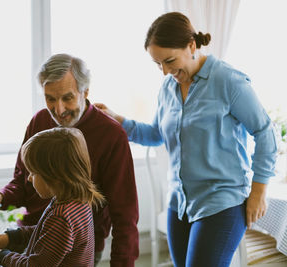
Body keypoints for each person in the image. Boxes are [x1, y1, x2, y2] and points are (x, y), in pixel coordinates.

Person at [94, 12, 277, 267]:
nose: (166, 71)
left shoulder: (228, 81)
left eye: (169, 61)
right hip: (179, 204)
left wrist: (259, 190)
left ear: (192, 46)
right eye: (158, 65)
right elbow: (156, 134)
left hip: (221, 201)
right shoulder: (168, 88)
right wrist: (119, 120)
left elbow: (265, 132)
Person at [0, 53, 139, 266]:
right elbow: (23, 181)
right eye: (50, 98)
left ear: (85, 92)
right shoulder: (39, 121)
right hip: (32, 233)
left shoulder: (111, 135)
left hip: (74, 249)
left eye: (67, 97)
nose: (58, 110)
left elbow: (125, 217)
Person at [0, 127, 105, 266]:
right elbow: (45, 232)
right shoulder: (76, 201)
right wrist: (10, 237)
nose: (29, 179)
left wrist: (0, 256)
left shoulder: (62, 217)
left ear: (54, 176)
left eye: (33, 173)